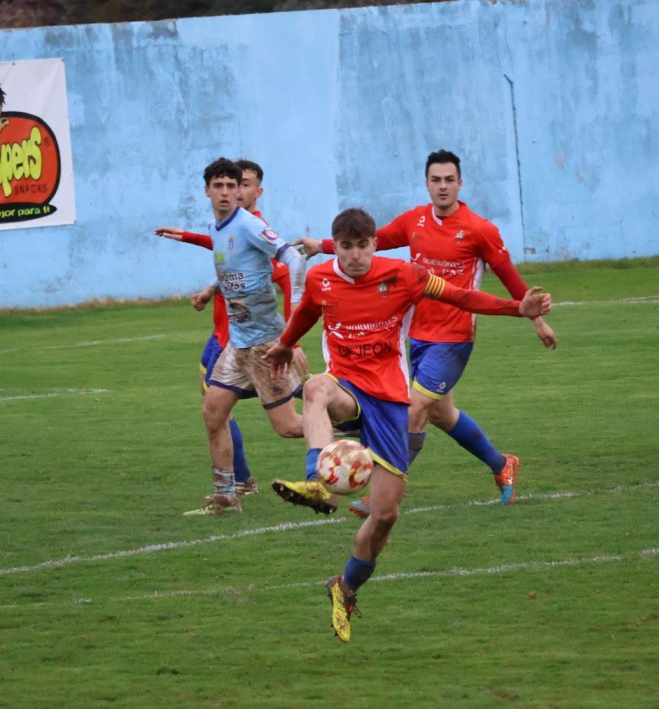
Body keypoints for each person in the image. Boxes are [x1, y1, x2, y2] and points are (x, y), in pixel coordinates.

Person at [265, 207, 552, 642]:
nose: (356, 255)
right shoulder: (323, 279)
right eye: (347, 246)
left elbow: (461, 297)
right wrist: (286, 345)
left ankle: (345, 588)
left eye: (363, 245)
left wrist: (519, 309)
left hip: (390, 400)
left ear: (374, 244)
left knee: (385, 515)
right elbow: (307, 312)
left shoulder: (405, 274)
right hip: (346, 384)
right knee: (315, 390)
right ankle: (315, 481)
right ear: (335, 245)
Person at [297, 150, 556, 513]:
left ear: (460, 183)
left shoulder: (480, 229)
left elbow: (508, 274)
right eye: (436, 180)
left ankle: (380, 493)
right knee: (442, 414)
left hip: (453, 337)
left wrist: (535, 319)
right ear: (427, 183)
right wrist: (322, 246)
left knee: (416, 410)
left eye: (450, 179)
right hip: (415, 335)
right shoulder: (414, 221)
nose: (443, 186)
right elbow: (374, 241)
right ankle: (502, 464)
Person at [155, 157, 306, 514]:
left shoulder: (251, 225)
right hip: (236, 344)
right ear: (207, 190)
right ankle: (226, 495)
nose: (225, 192)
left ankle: (358, 431)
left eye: (231, 186)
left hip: (266, 345)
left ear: (241, 191)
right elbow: (234, 269)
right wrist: (210, 290)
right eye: (218, 186)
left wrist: (295, 327)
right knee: (213, 411)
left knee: (288, 427)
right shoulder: (218, 229)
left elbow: (294, 260)